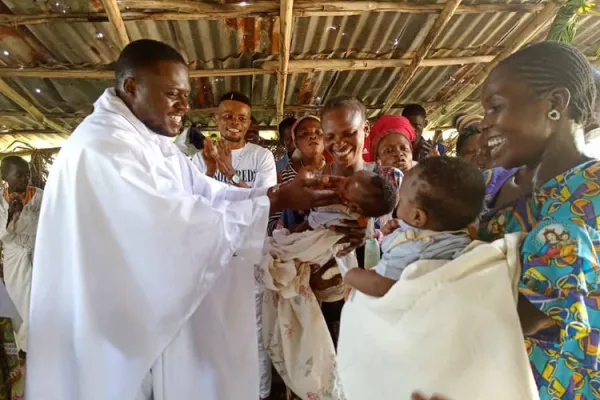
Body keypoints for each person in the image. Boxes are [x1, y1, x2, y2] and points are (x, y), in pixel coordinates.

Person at [25, 39, 344, 400]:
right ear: (132, 87)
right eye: (172, 94)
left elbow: (206, 194)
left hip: (141, 316)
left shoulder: (151, 142)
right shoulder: (104, 145)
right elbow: (172, 225)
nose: (185, 105)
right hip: (112, 324)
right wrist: (275, 199)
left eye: (186, 94)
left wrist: (272, 197)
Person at [476, 41, 599, 399]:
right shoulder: (488, 188)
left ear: (555, 104)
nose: (484, 123)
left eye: (495, 107)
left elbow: (520, 317)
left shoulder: (590, 197)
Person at [344, 157, 483, 297]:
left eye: (402, 200)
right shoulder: (466, 233)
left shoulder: (412, 248)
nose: (398, 204)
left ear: (417, 217)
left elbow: (381, 285)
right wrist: (393, 235)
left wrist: (351, 275)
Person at [0, 156, 42, 352]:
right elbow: (3, 233)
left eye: (27, 175)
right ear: (5, 176)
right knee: (19, 302)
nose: (25, 179)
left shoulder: (40, 196)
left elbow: (46, 225)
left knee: (40, 300)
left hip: (38, 256)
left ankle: (41, 346)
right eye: (19, 176)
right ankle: (23, 348)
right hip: (14, 260)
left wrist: (20, 217)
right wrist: (11, 216)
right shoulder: (0, 201)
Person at [194, 92, 277, 190]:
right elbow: (194, 199)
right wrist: (210, 172)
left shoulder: (262, 156)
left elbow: (264, 200)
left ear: (249, 124)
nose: (235, 122)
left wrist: (231, 173)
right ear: (217, 118)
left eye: (242, 118)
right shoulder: (201, 158)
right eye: (228, 116)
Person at [268, 115, 326, 235]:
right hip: (292, 246)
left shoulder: (335, 171)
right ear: (296, 143)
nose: (312, 136)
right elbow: (270, 224)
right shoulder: (282, 177)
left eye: (318, 132)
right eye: (304, 134)